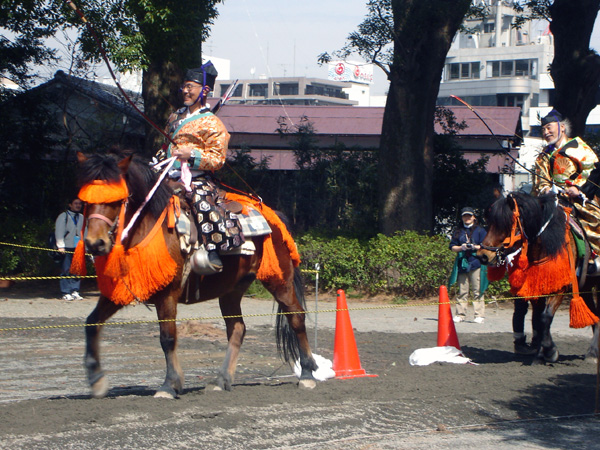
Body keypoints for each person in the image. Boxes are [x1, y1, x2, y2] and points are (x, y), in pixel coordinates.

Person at [153, 60, 243, 275]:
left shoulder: (213, 123)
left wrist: (191, 155)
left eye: (190, 87)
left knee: (201, 202)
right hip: (168, 174)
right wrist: (156, 161)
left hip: (197, 179)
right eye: (183, 86)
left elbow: (218, 159)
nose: (185, 91)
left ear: (204, 90)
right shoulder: (175, 117)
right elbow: (166, 146)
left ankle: (213, 248)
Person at [531, 109, 600, 273]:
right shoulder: (543, 155)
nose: (546, 132)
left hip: (579, 199)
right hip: (552, 200)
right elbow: (540, 176)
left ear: (561, 127)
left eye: (549, 128)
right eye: (543, 129)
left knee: (594, 220)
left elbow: (592, 170)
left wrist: (578, 188)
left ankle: (594, 257)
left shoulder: (579, 147)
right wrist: (545, 188)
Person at [449, 206, 487, 323]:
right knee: (462, 290)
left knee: (477, 290)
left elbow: (486, 246)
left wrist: (474, 247)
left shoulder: (480, 230)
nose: (467, 218)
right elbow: (452, 247)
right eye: (465, 216)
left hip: (476, 263)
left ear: (474, 217)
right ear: (462, 218)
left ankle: (479, 315)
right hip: (463, 263)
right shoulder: (458, 231)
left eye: (469, 216)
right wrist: (462, 247)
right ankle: (460, 314)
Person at [55, 197, 84, 301]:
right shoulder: (64, 216)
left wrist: (85, 246)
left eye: (79, 204)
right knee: (66, 269)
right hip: (66, 247)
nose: (78, 205)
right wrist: (60, 246)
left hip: (78, 248)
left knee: (77, 270)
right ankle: (66, 292)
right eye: (75, 203)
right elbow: (59, 231)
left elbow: (84, 231)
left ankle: (75, 290)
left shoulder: (81, 217)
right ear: (70, 205)